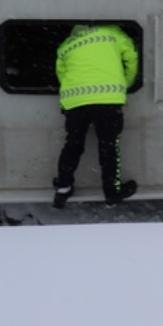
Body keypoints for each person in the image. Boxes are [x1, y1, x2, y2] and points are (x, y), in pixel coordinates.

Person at [52, 23, 140, 207]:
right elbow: (131, 57)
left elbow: (62, 75)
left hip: (74, 103)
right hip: (107, 100)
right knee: (108, 146)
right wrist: (126, 83)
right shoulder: (112, 33)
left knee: (72, 145)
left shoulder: (66, 45)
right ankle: (112, 192)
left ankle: (63, 188)